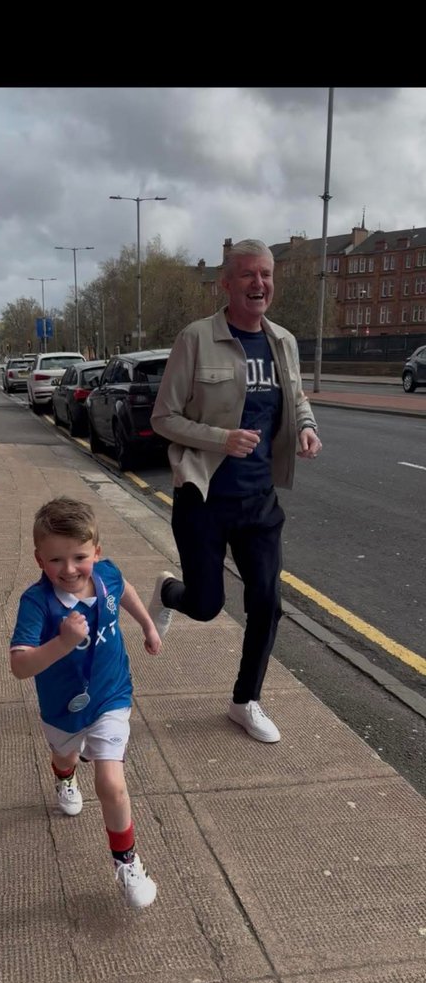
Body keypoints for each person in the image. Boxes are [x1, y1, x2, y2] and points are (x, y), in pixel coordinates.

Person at [149, 238, 322, 745]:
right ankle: (168, 591)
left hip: (259, 500)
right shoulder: (196, 338)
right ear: (226, 284)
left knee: (267, 601)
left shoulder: (283, 341)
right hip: (203, 498)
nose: (258, 283)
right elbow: (164, 417)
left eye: (265, 274)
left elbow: (296, 395)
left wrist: (306, 426)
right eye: (247, 274)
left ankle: (245, 701)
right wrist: (220, 439)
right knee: (206, 605)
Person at [10, 496, 162, 910]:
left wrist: (147, 625)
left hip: (112, 695)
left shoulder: (107, 573)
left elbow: (125, 590)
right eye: (56, 560)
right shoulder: (36, 603)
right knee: (65, 756)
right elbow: (20, 666)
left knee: (111, 782)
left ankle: (127, 861)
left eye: (80, 557)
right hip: (62, 708)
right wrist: (62, 643)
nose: (70, 569)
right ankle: (64, 777)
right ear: (39, 559)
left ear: (96, 551)